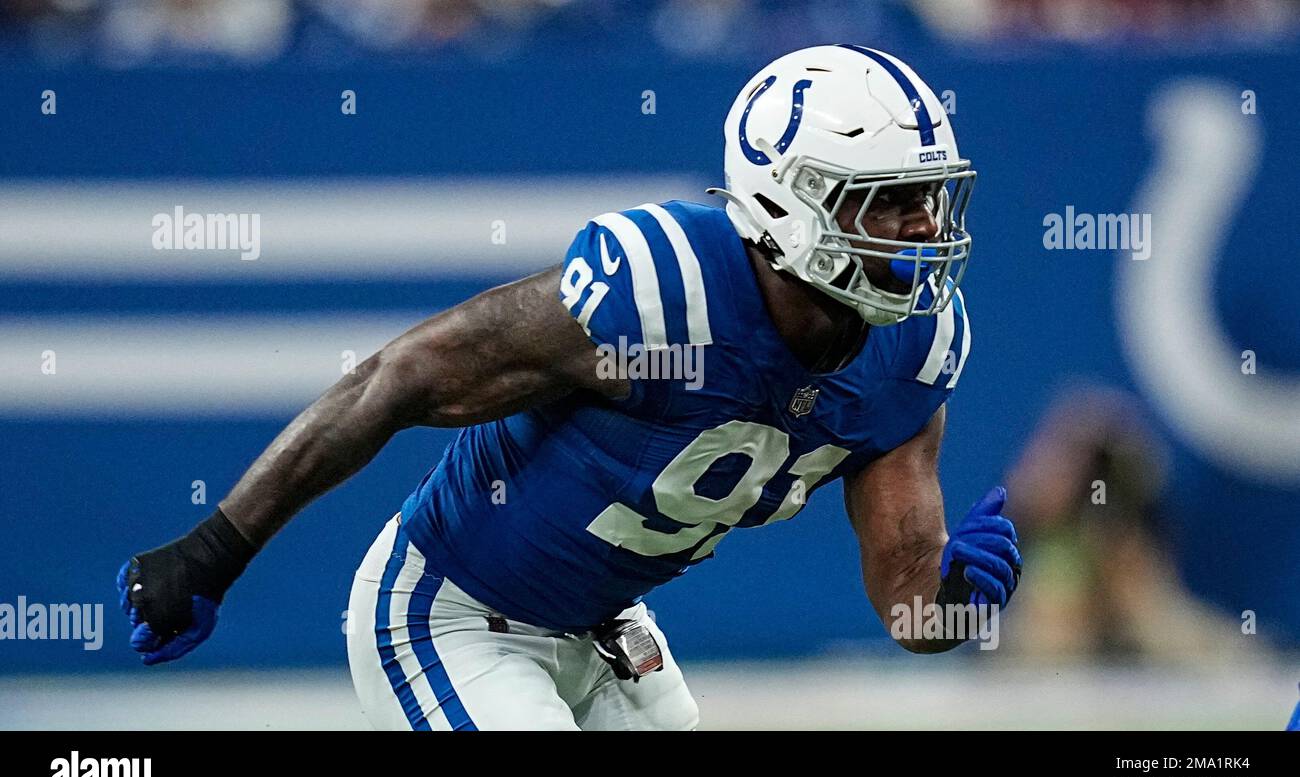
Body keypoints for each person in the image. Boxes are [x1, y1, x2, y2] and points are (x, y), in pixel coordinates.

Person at [117, 45, 1021, 730]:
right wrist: (214, 549)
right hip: (449, 613)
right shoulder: (660, 292)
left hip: (604, 631)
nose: (923, 227)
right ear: (794, 200)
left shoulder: (915, 345)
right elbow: (400, 377)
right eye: (891, 199)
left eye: (930, 197)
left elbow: (907, 598)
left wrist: (956, 600)